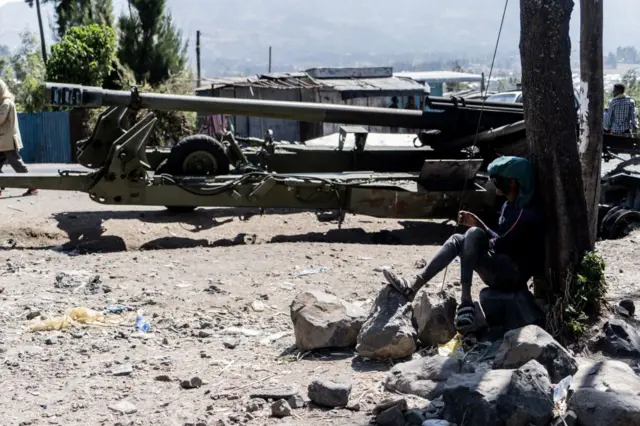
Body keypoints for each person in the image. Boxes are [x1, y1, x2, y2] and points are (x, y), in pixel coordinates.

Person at [382, 156, 544, 333]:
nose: (494, 184)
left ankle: (466, 301)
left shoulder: (526, 213)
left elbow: (501, 244)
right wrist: (477, 225)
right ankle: (413, 286)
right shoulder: (509, 205)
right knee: (458, 240)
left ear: (512, 183)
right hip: (502, 264)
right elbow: (500, 238)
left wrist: (477, 227)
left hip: (511, 274)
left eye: (497, 181)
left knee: (472, 235)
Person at [0, 78, 37, 196]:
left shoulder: (6, 103)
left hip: (7, 142)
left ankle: (33, 186)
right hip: (3, 142)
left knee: (18, 165)